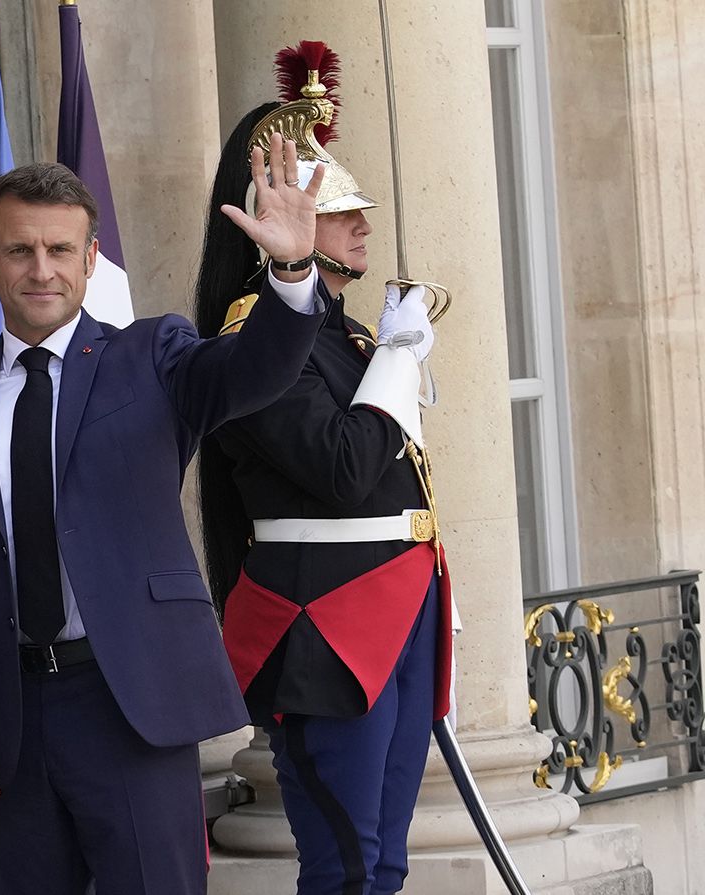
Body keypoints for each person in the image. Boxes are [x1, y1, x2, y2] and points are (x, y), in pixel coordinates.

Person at [0, 150, 330, 894]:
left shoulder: (152, 356)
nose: (41, 269)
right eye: (19, 250)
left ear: (90, 258)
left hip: (129, 701)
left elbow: (254, 371)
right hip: (7, 718)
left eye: (60, 249)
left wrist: (292, 273)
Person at [195, 42, 448, 895]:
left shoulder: (352, 337)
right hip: (326, 621)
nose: (362, 224)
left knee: (385, 865)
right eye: (339, 211)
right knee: (346, 864)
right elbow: (343, 468)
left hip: (398, 602)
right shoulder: (251, 342)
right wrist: (401, 361)